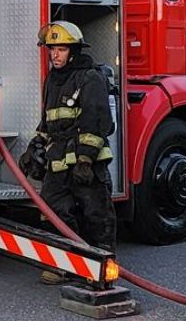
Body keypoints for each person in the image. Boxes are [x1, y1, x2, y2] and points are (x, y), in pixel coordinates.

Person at [18, 21, 116, 284]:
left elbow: (97, 122)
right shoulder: (53, 79)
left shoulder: (90, 78)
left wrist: (85, 159)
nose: (55, 55)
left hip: (86, 164)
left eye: (60, 49)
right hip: (58, 163)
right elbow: (49, 120)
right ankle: (64, 265)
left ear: (73, 51)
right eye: (52, 50)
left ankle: (101, 268)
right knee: (53, 212)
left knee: (96, 214)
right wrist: (35, 146)